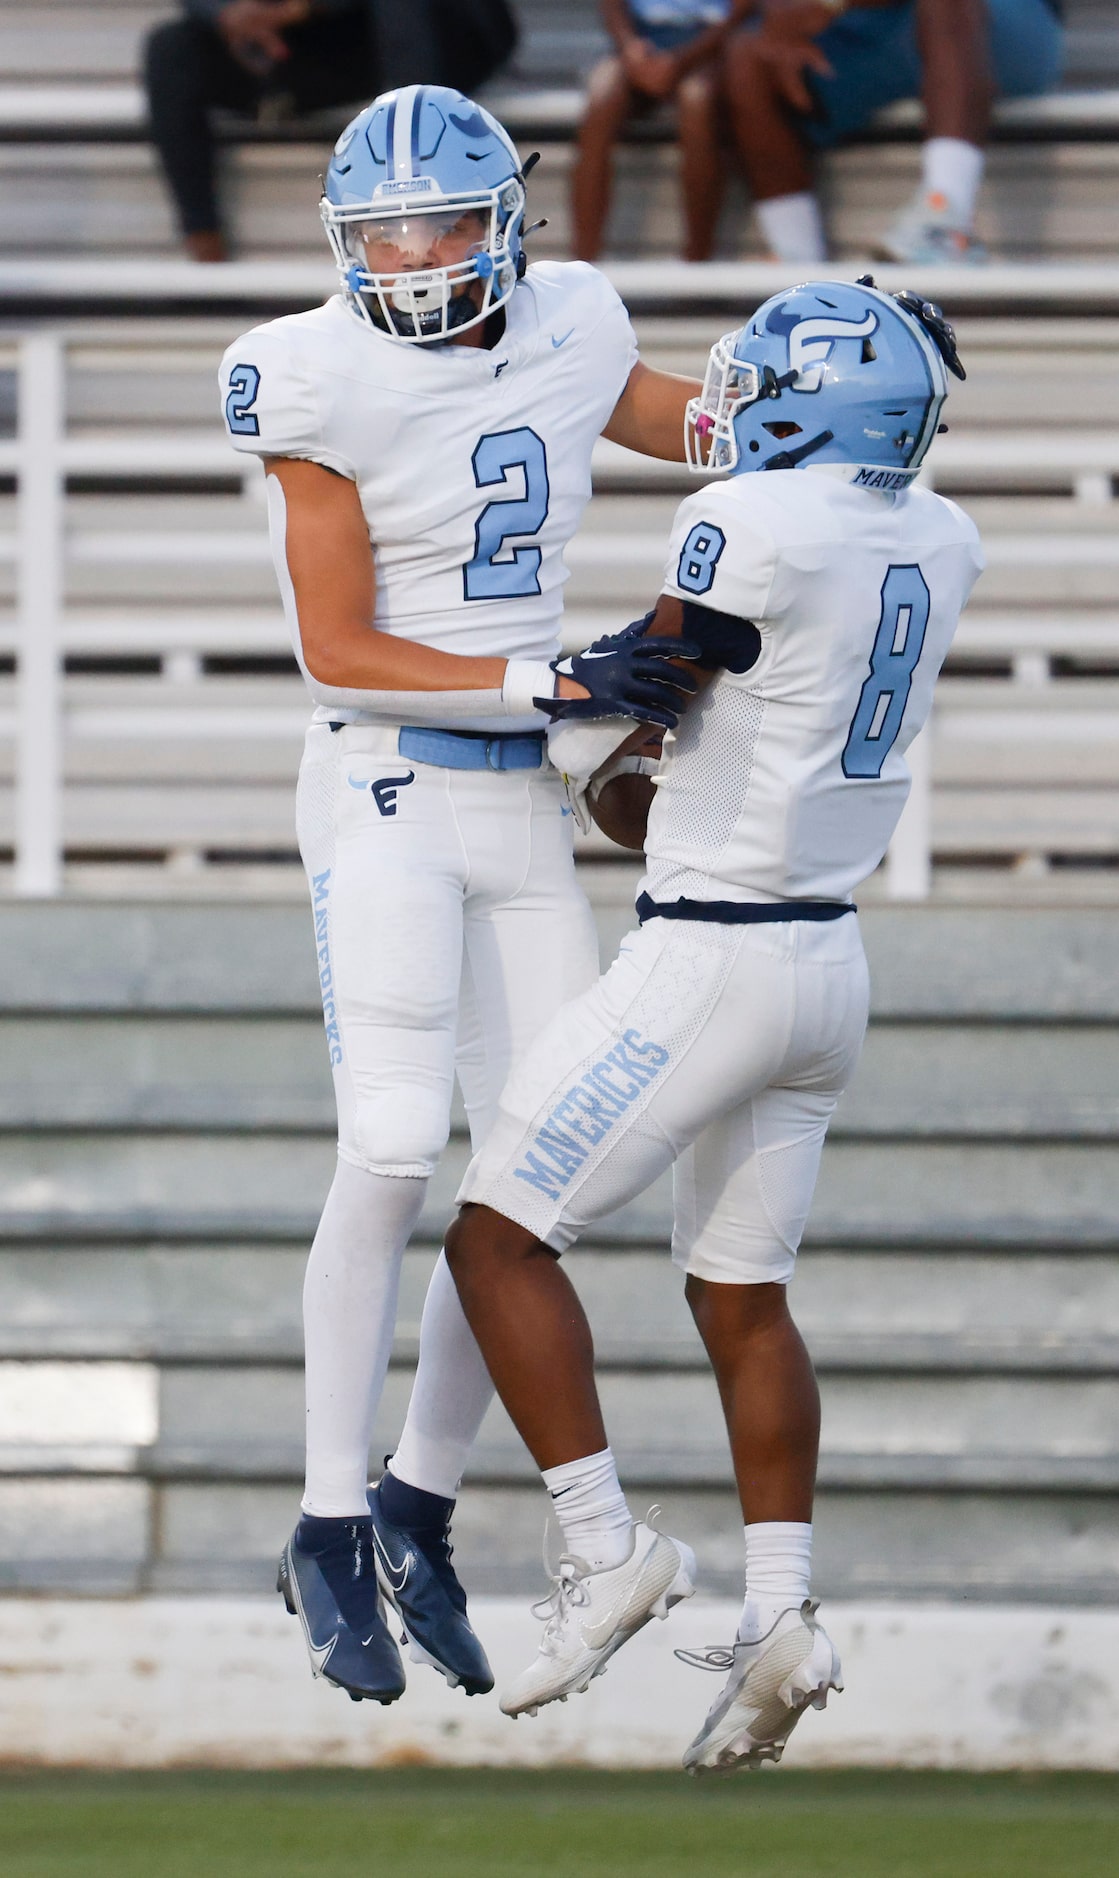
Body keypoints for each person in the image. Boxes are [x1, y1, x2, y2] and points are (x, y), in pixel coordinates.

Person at [442, 278, 985, 1767]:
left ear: (814, 399)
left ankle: (602, 1538)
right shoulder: (942, 535)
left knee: (495, 1235)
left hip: (714, 953)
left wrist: (576, 725)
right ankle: (780, 1611)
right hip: (825, 959)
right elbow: (710, 726)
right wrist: (635, 767)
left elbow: (657, 677)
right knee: (739, 1297)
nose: (728, 404)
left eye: (754, 383)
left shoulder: (753, 526)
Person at [219, 82, 702, 1706]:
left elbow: (657, 412)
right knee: (387, 1138)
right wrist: (555, 672)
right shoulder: (305, 370)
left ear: (509, 221)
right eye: (385, 229)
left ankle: (419, 1499)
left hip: (519, 800)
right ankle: (324, 1515)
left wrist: (794, 403)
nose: (416, 253)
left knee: (529, 1190)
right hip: (384, 781)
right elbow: (334, 644)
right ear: (343, 242)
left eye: (441, 220)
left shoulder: (566, 316)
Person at [144, 1, 517, 260]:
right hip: (318, 43)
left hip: (443, 29)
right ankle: (204, 247)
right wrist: (228, 12)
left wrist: (293, 9)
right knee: (170, 47)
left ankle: (426, 200)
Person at [722, 0, 1065, 265]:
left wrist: (827, 3)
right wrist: (779, 19)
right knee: (749, 54)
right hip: (876, 23)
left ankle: (945, 221)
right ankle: (796, 259)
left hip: (997, 22)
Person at [571, 1, 752, 261]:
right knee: (601, 97)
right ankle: (583, 264)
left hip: (712, 39)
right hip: (642, 36)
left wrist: (683, 58)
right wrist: (629, 46)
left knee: (697, 101)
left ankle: (697, 264)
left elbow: (744, 9)